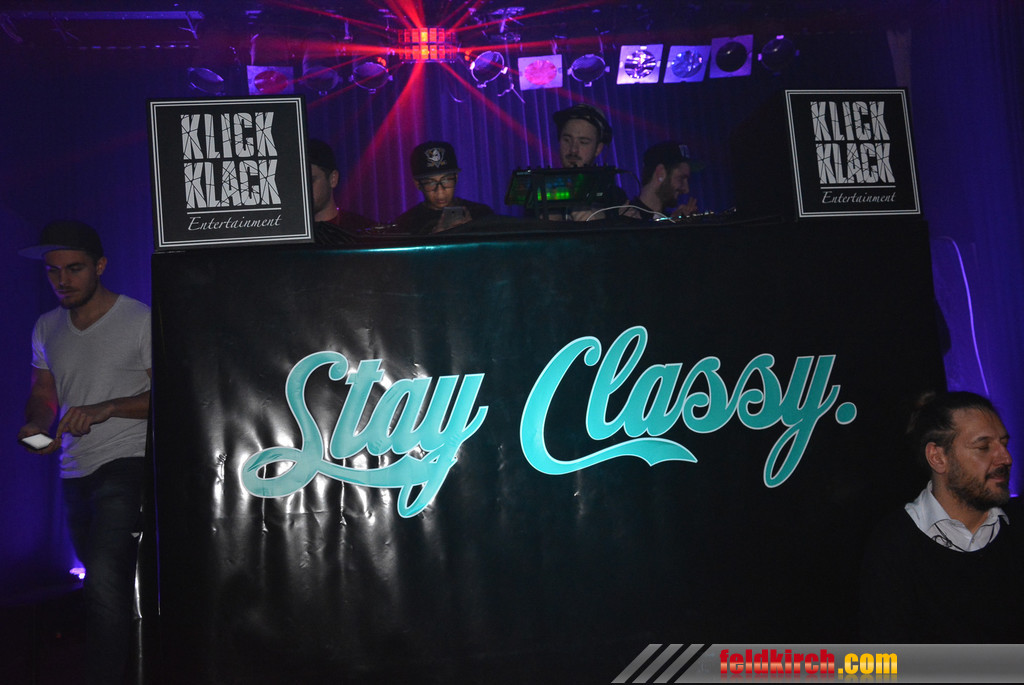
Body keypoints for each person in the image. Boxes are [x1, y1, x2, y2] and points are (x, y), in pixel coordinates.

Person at [17, 220, 153, 683]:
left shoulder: (137, 319)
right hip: (75, 469)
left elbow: (171, 395)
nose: (62, 280)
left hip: (127, 463)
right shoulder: (46, 326)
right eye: (53, 271)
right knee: (100, 583)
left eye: (73, 269)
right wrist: (37, 423)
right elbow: (44, 391)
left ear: (100, 266)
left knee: (105, 586)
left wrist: (107, 407)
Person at [859, 391, 1024, 642]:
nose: (1006, 458)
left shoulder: (1016, 527)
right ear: (938, 458)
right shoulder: (895, 547)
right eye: (983, 447)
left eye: (1004, 443)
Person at [392, 141, 494, 235]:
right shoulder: (406, 224)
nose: (440, 191)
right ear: (418, 184)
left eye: (446, 181)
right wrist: (435, 238)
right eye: (430, 183)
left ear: (456, 178)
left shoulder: (481, 214)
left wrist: (473, 230)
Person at [550, 104, 628, 220]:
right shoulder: (540, 192)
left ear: (598, 149)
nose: (573, 150)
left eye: (583, 142)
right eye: (567, 140)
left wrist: (600, 222)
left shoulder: (614, 197)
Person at [308, 138, 376, 246]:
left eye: (310, 180)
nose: (305, 190)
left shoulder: (361, 231)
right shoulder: (287, 233)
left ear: (333, 179)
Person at [630, 142, 700, 220]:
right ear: (660, 173)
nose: (686, 189)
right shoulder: (626, 218)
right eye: (681, 178)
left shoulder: (672, 218)